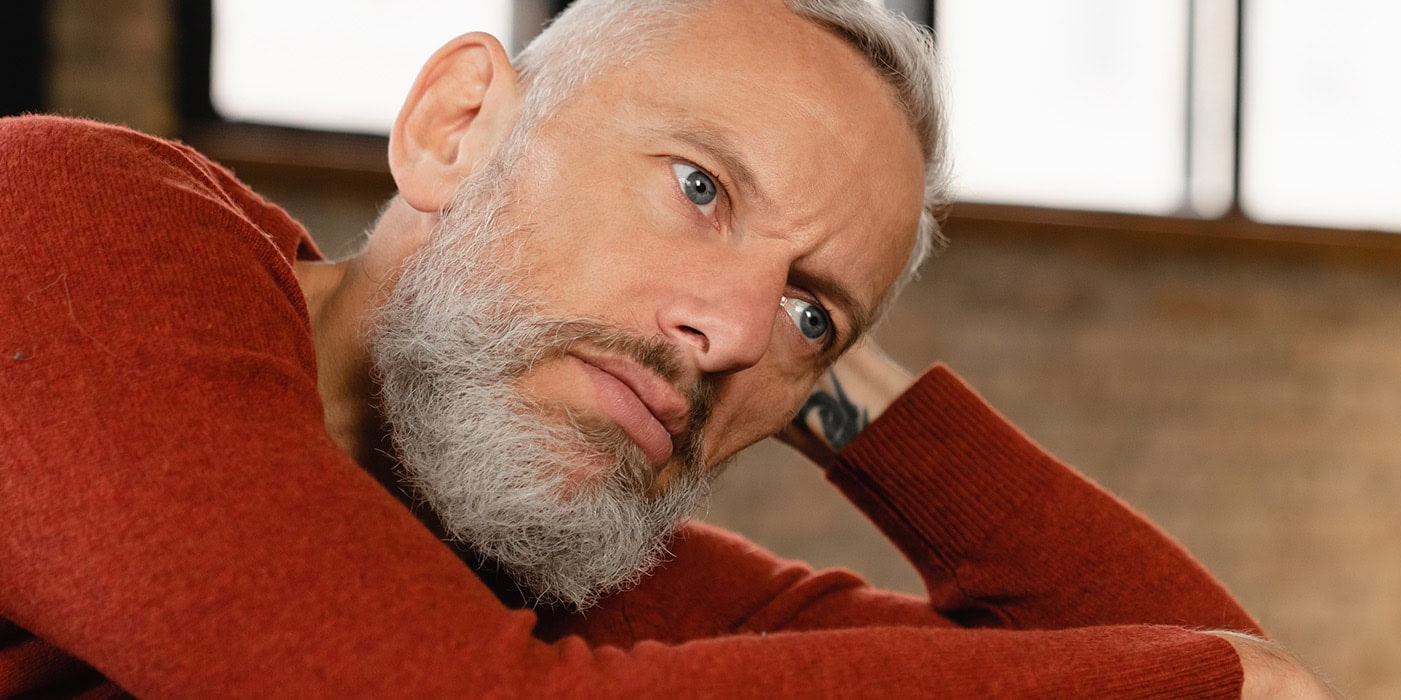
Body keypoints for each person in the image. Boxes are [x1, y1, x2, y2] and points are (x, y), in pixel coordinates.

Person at [0, 0, 1334, 696]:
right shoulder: (73, 234)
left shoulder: (556, 569)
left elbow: (1223, 662)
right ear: (460, 126)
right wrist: (1200, 679)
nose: (735, 331)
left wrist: (831, 376)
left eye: (813, 313)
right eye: (700, 187)